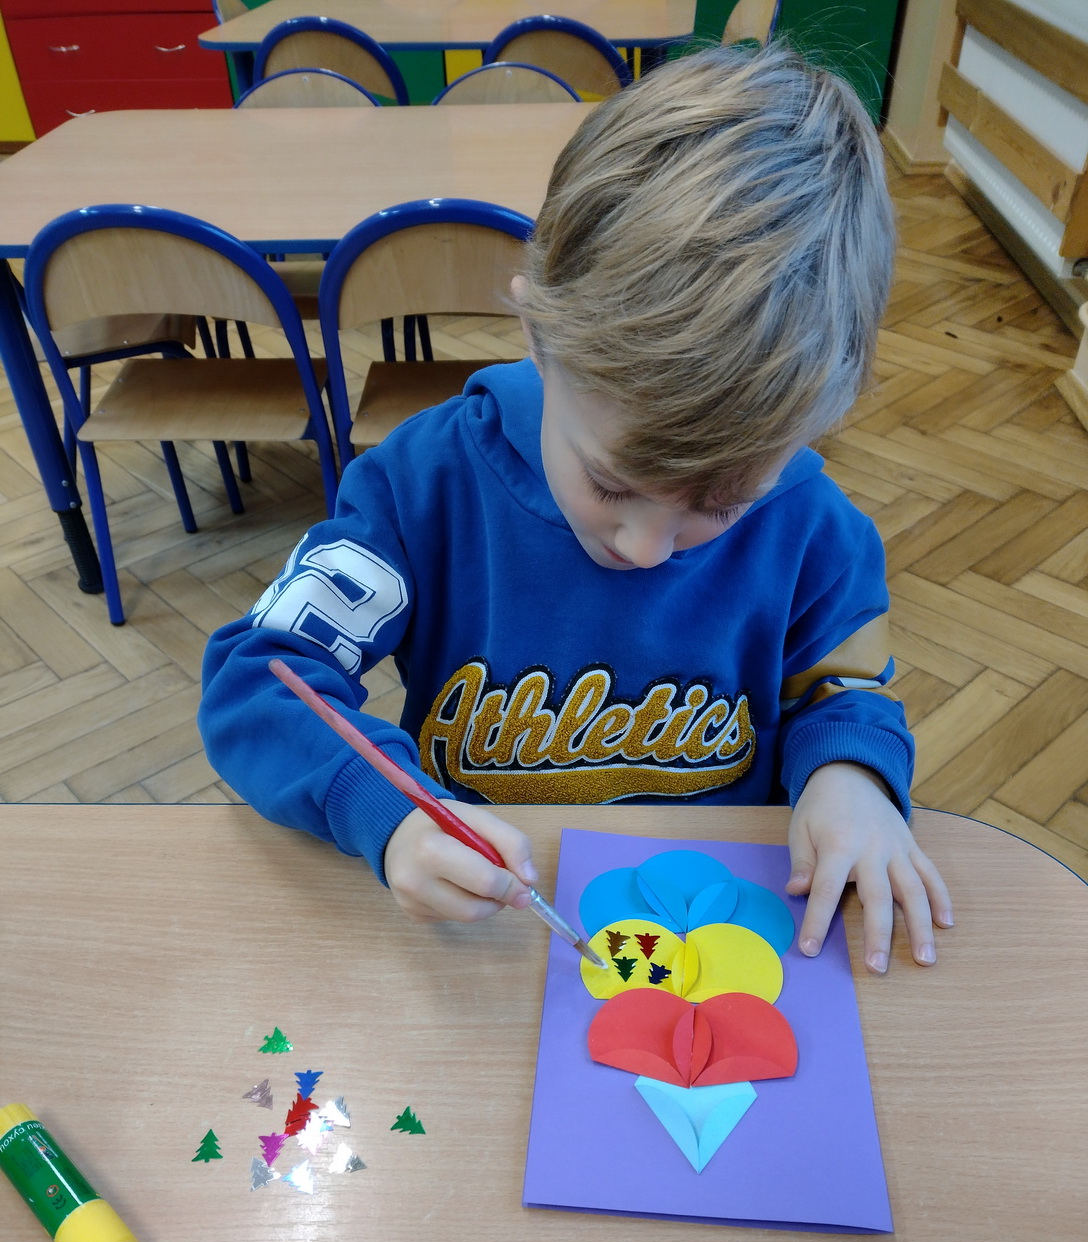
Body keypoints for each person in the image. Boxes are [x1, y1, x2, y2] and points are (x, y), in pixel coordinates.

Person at [199, 42, 952, 974]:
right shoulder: (421, 486)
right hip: (493, 936)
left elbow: (844, 692)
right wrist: (388, 812)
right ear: (536, 332)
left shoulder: (815, 526)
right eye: (612, 485)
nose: (647, 548)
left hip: (726, 931)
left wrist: (849, 775)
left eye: (718, 506)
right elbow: (264, 676)